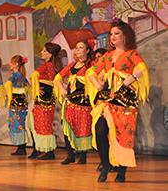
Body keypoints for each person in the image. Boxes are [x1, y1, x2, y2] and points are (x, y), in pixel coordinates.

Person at [87, 20, 149, 182]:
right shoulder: (107, 56)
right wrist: (98, 85)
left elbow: (142, 69)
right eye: (111, 34)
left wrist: (130, 79)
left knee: (123, 135)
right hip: (107, 100)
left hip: (125, 100)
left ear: (125, 36)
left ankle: (122, 171)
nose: (112, 37)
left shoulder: (131, 54)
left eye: (117, 33)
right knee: (100, 129)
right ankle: (105, 164)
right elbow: (91, 72)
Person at [54, 41, 94, 165]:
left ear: (87, 50)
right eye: (76, 47)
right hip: (70, 102)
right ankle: (70, 154)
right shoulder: (71, 65)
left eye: (81, 47)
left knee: (83, 128)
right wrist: (61, 89)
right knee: (68, 127)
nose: (77, 50)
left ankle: (82, 156)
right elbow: (58, 78)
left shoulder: (91, 65)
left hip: (84, 103)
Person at [27, 42, 62, 160]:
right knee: (40, 123)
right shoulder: (50, 66)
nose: (42, 52)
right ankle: (41, 149)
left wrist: (38, 89)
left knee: (43, 124)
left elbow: (35, 77)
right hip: (45, 99)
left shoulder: (48, 65)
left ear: (50, 54)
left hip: (44, 100)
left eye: (45, 51)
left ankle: (48, 151)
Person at [5, 55, 29, 155]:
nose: (10, 64)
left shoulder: (14, 76)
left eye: (12, 62)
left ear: (16, 64)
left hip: (15, 105)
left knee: (17, 125)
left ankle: (21, 148)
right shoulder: (23, 77)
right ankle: (21, 147)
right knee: (20, 125)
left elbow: (7, 89)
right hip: (22, 105)